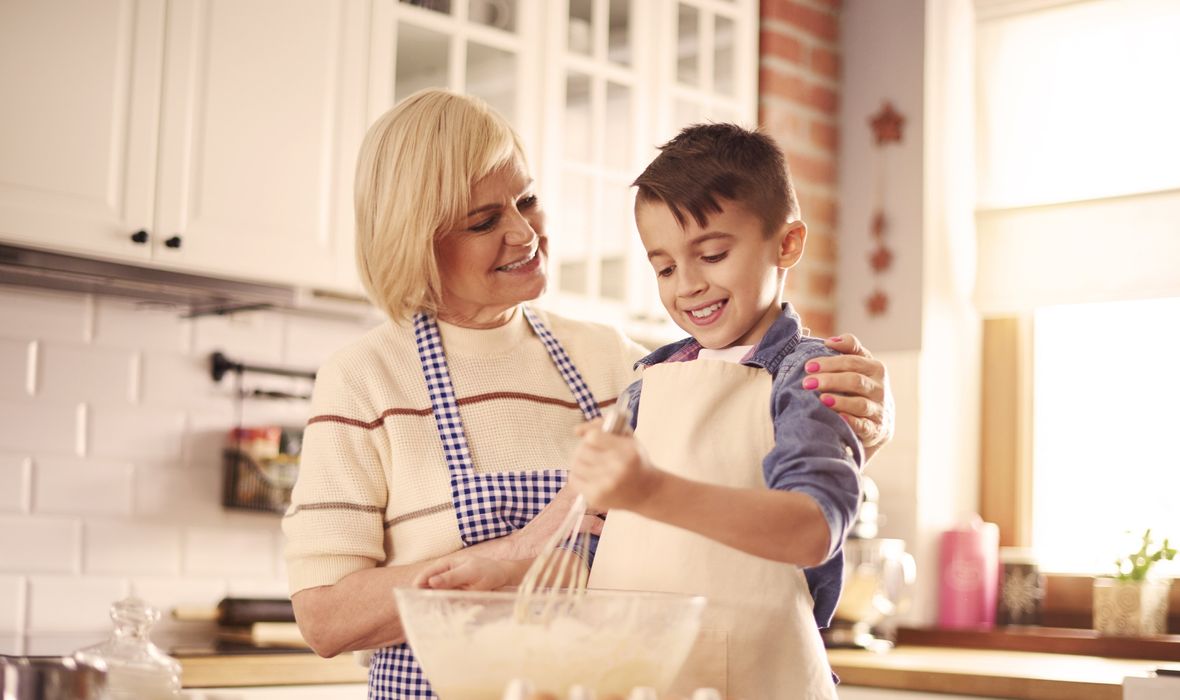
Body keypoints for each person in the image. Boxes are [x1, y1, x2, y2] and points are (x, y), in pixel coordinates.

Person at [283, 89, 891, 700]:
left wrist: (863, 418)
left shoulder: (619, 362)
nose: (524, 233)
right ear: (415, 240)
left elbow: (742, 442)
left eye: (527, 200)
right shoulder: (365, 378)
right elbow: (326, 619)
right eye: (484, 221)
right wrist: (520, 551)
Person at [568, 123, 860, 699]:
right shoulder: (646, 385)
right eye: (666, 268)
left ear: (787, 244)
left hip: (757, 675)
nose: (689, 285)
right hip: (632, 675)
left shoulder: (805, 375)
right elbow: (605, 534)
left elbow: (813, 529)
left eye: (713, 254)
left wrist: (650, 491)